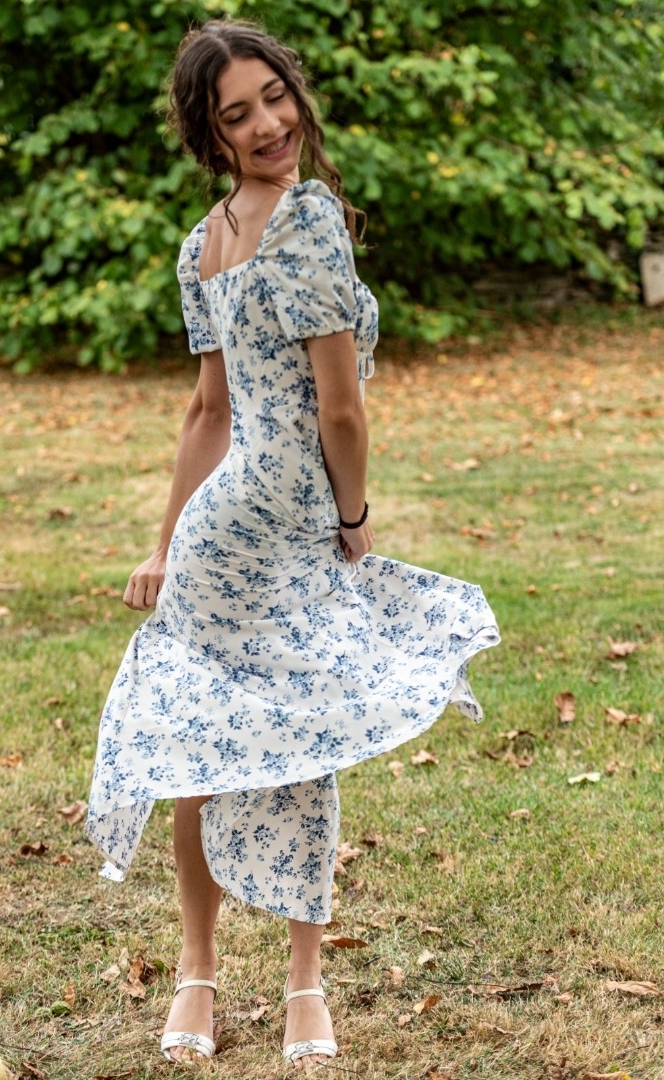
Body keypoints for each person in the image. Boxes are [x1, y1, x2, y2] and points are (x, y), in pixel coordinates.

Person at [86, 18, 500, 1069]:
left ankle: (198, 978)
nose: (269, 123)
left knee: (201, 741)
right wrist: (353, 521)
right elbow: (339, 412)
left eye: (274, 95)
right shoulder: (301, 222)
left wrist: (171, 544)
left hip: (221, 524)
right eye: (239, 114)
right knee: (300, 748)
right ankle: (300, 988)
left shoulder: (202, 240)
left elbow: (207, 414)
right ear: (212, 135)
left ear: (293, 89)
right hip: (281, 527)